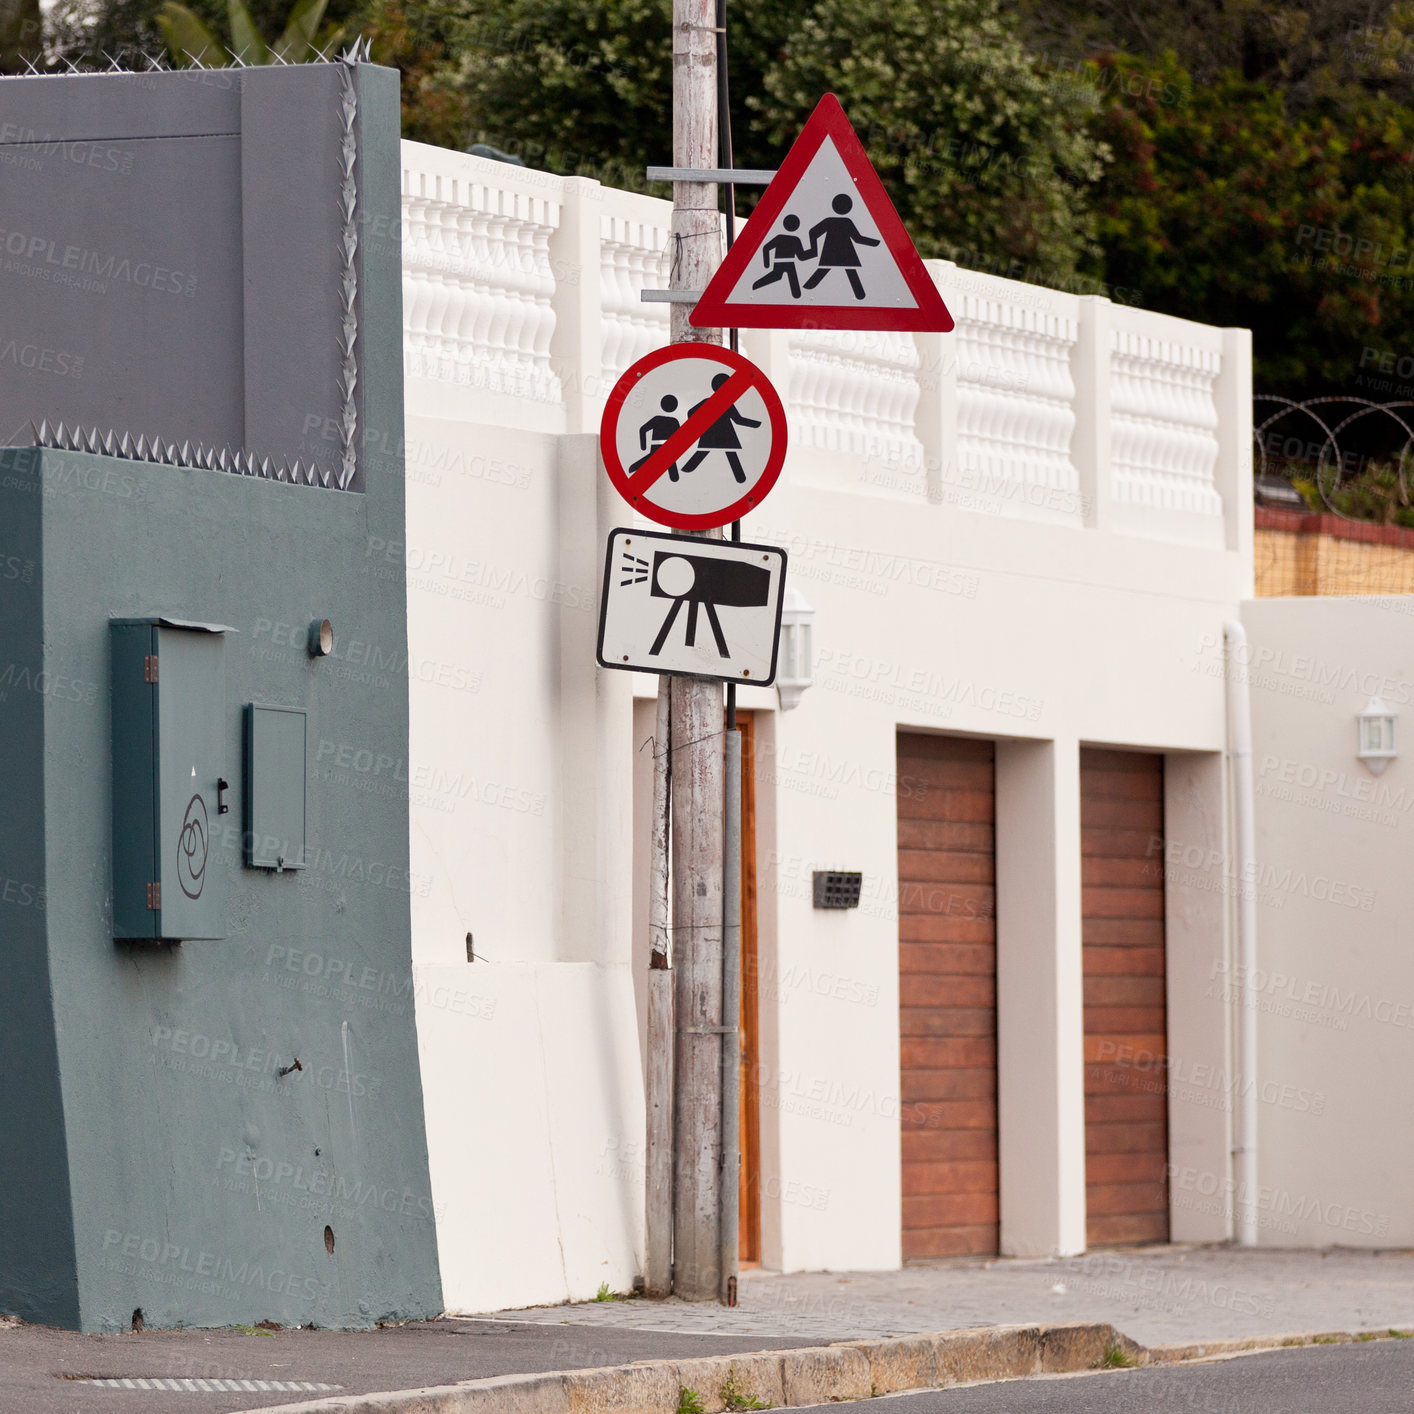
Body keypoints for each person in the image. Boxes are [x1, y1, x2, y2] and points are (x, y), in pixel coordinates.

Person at [680, 373, 761, 484]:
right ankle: (741, 479)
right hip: (726, 434)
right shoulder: (726, 403)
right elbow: (738, 420)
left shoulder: (709, 401)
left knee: (702, 454)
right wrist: (756, 424)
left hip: (711, 433)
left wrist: (698, 425)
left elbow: (691, 412)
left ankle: (686, 470)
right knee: (730, 455)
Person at [802, 193, 880, 300]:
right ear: (849, 207)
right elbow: (858, 239)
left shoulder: (830, 221)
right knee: (850, 272)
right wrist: (874, 243)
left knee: (824, 271)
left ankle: (807, 288)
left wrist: (813, 248)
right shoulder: (846, 222)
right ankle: (860, 295)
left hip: (831, 252)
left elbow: (813, 232)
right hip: (846, 253)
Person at [752, 214, 808, 298]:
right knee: (778, 277)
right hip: (786, 263)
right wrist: (812, 253)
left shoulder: (780, 238)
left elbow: (766, 248)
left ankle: (755, 286)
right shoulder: (795, 239)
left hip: (785, 263)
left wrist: (767, 264)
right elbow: (802, 256)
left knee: (794, 288)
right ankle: (755, 286)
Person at [630, 394, 682, 480]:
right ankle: (635, 470)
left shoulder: (663, 420)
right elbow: (680, 438)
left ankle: (635, 469)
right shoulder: (673, 421)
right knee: (665, 466)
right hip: (663, 447)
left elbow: (643, 430)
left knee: (668, 467)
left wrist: (644, 446)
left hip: (664, 447)